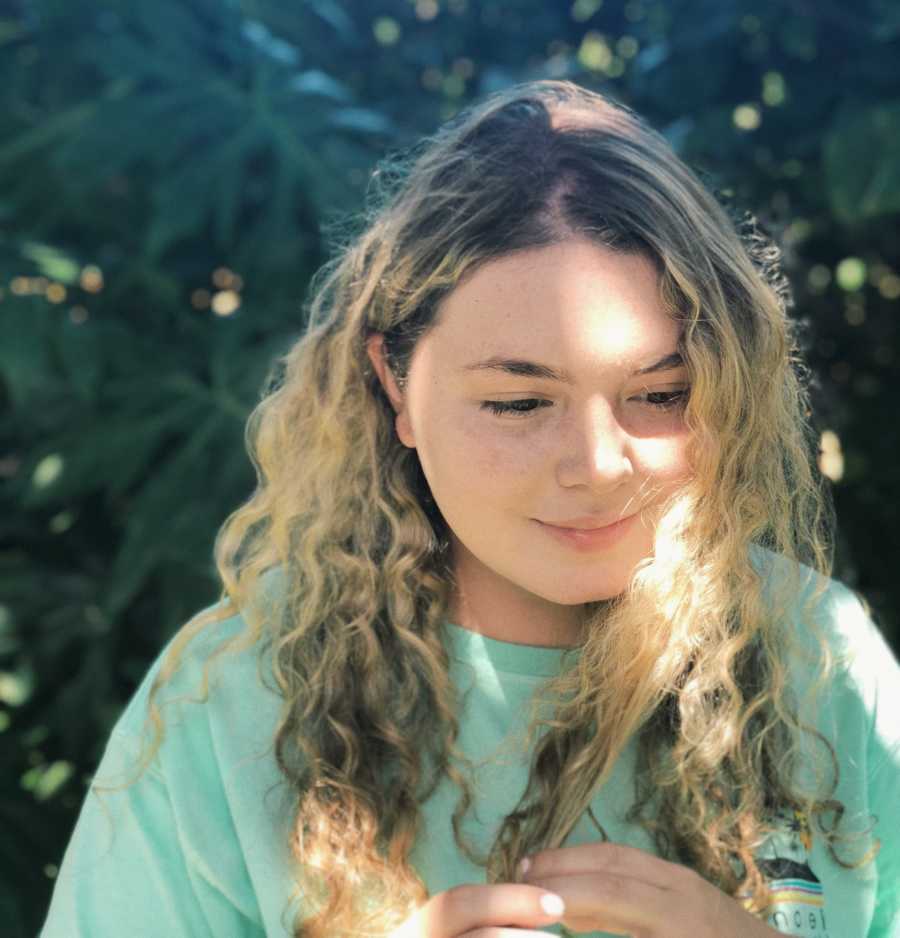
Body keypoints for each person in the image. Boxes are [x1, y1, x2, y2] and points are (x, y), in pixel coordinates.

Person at [41, 79, 899, 938]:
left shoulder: (823, 658)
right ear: (394, 385)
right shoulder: (230, 698)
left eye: (663, 394)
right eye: (519, 404)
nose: (600, 467)